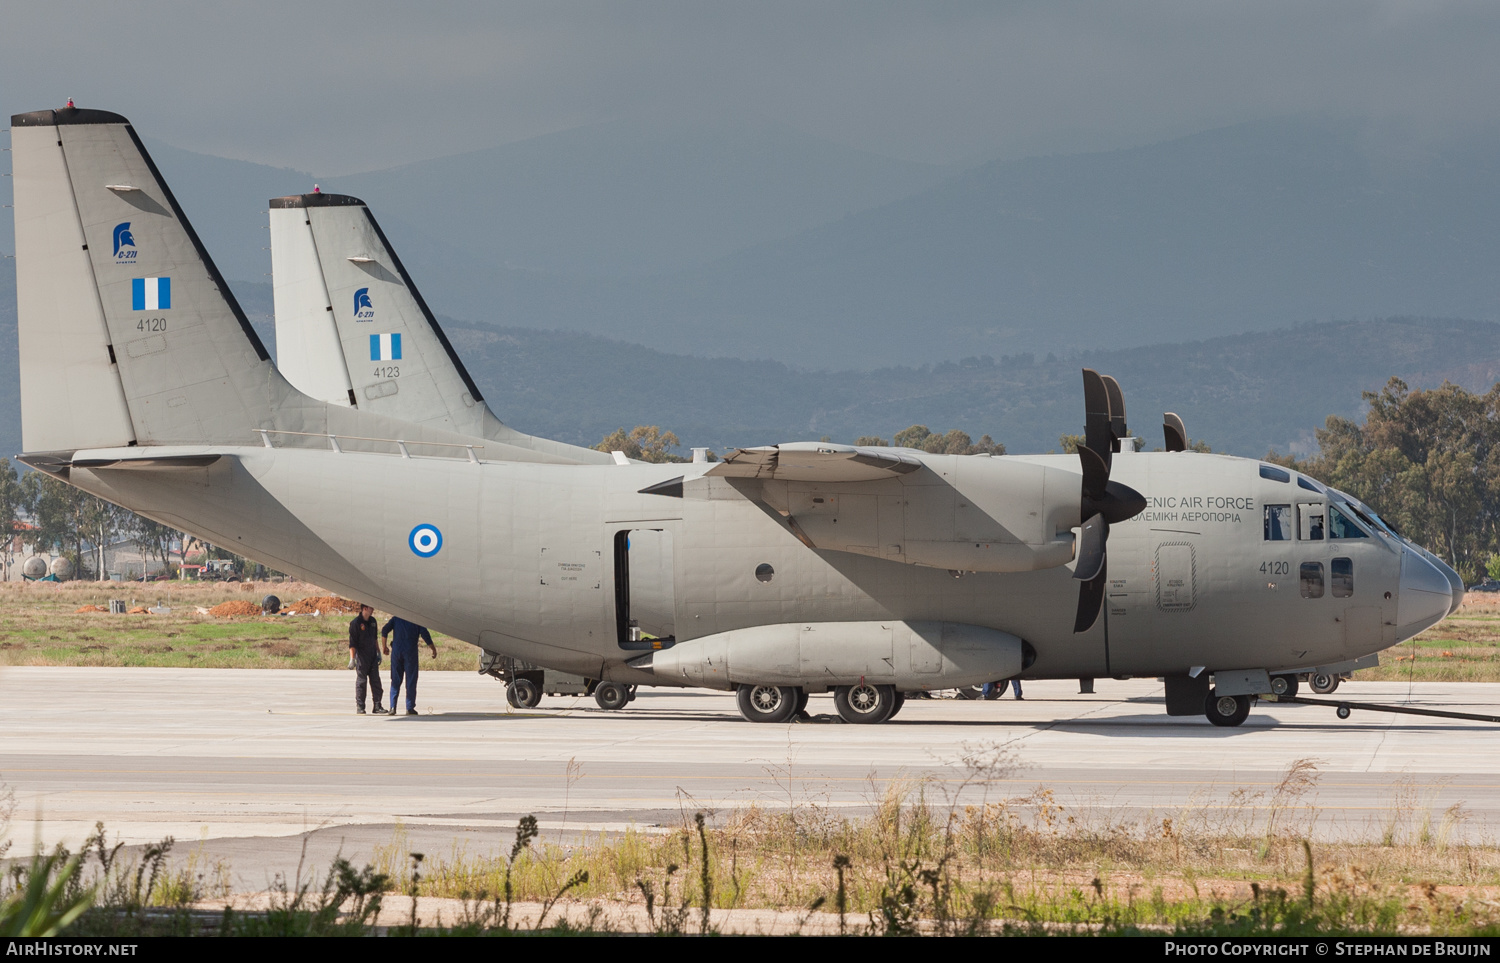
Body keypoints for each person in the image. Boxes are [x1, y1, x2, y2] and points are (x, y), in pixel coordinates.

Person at [382, 615, 437, 715]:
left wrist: (384, 646)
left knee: (395, 680)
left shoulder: (396, 618)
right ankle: (409, 707)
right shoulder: (416, 619)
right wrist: (433, 648)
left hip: (397, 652)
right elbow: (425, 634)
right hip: (410, 653)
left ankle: (392, 707)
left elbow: (384, 630)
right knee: (411, 680)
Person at [349, 603, 387, 715]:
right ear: (365, 608)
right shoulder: (356, 623)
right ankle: (360, 706)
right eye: (371, 607)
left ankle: (377, 705)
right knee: (361, 682)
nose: (373, 609)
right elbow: (353, 643)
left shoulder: (373, 621)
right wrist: (352, 658)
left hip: (372, 656)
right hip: (362, 657)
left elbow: (375, 639)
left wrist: (378, 652)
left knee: (376, 682)